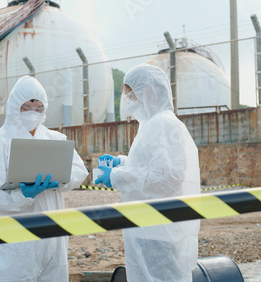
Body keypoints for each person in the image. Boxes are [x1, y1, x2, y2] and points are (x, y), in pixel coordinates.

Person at [0, 75, 88, 282]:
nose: (32, 113)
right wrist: (22, 194)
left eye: (38, 109)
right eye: (26, 107)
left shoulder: (55, 139)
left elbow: (80, 171)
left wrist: (62, 179)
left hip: (53, 239)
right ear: (14, 107)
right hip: (17, 242)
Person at [95, 64, 201, 281]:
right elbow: (150, 165)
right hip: (147, 229)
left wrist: (116, 176)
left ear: (149, 90)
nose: (130, 102)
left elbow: (167, 178)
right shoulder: (151, 124)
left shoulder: (162, 123)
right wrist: (121, 163)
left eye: (131, 96)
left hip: (157, 233)